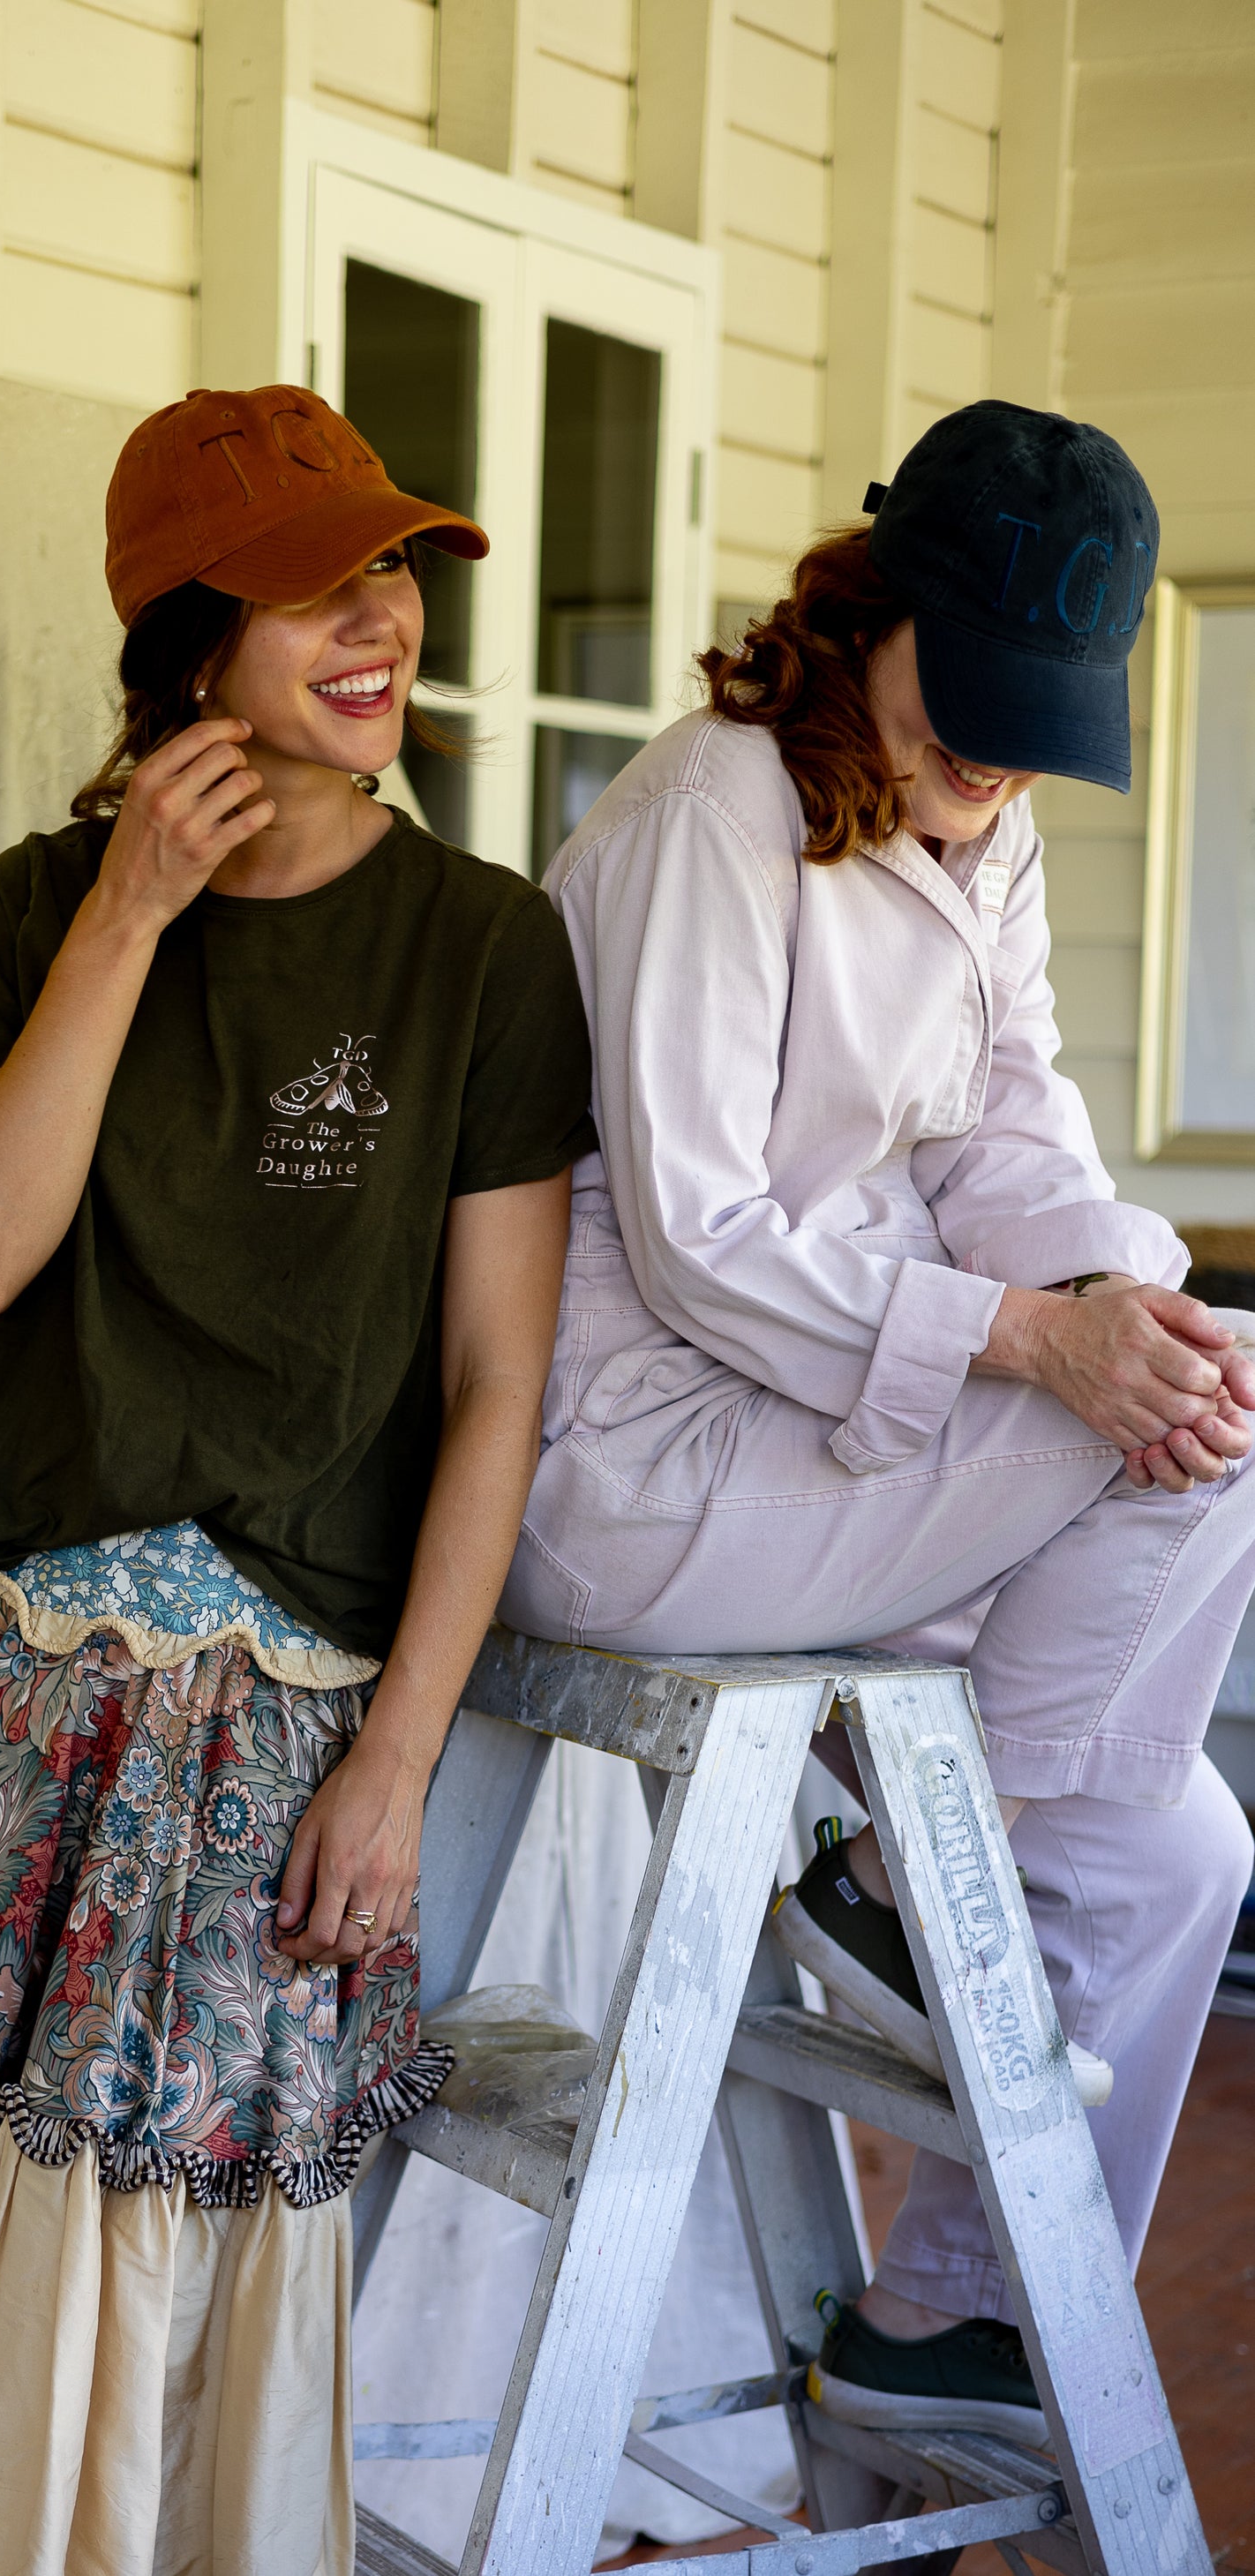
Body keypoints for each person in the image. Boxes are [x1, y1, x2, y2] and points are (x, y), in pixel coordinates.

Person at [0, 382, 595, 2576]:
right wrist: (129, 913)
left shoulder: (482, 945)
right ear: (187, 639)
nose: (377, 619)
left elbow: (497, 1380)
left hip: (271, 1711)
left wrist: (398, 1758)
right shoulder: (52, 896)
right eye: (316, 586)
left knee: (156, 2302)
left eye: (392, 570)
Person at [503, 399, 1255, 2445]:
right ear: (869, 611)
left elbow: (1014, 1133)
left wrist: (1119, 1299)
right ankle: (915, 1893)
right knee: (1196, 1411)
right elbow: (698, 1240)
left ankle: (936, 2315)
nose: (994, 760)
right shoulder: (710, 811)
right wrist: (1037, 1340)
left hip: (836, 1444)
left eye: (1034, 724)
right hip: (641, 1453)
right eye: (969, 700)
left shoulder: (979, 832)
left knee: (1183, 1851)